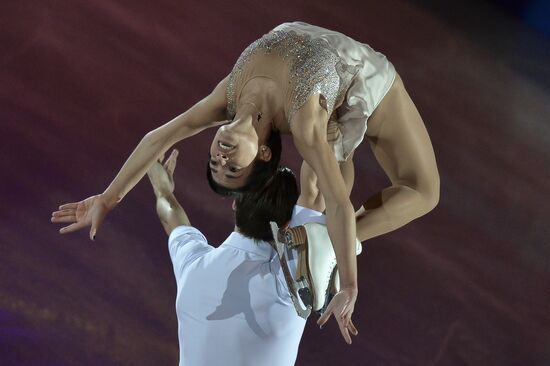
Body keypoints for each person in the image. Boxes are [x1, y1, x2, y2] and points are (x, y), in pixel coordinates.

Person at [51, 21, 440, 339]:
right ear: (264, 154)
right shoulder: (304, 126)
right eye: (233, 167)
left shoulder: (227, 99)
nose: (220, 156)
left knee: (329, 161)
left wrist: (108, 197)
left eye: (215, 162)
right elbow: (339, 202)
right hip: (354, 72)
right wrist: (350, 286)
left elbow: (158, 138)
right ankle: (326, 241)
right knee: (423, 191)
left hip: (306, 46)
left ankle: (322, 239)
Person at [145, 149, 358, 366]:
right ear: (287, 224)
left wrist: (161, 185)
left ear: (235, 203)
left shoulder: (192, 265)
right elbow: (321, 191)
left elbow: (169, 212)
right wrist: (337, 137)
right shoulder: (289, 280)